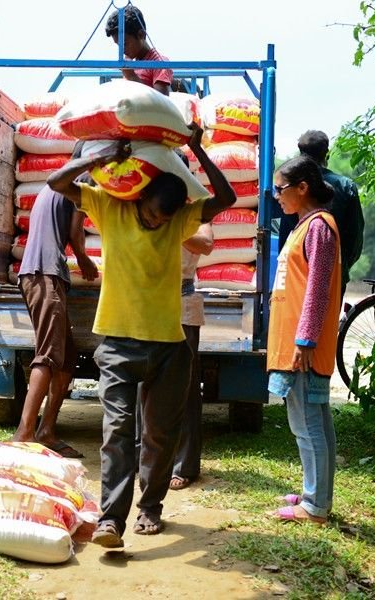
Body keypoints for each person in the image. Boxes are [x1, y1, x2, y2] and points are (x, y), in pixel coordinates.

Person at [47, 125, 236, 547]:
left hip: (170, 345)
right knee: (116, 433)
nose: (157, 222)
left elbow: (225, 200)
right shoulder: (109, 206)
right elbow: (57, 182)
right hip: (117, 343)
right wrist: (98, 160)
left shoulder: (178, 218)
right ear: (140, 196)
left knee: (159, 434)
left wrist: (198, 150)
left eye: (165, 218)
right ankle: (111, 520)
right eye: (152, 213)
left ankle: (150, 509)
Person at [11, 149, 99, 459]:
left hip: (45, 273)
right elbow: (76, 231)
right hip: (44, 273)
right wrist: (86, 261)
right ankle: (24, 432)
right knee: (48, 355)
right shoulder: (82, 180)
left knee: (67, 357)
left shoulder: (54, 184)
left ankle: (47, 430)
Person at [268, 155, 341, 525]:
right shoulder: (304, 226)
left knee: (307, 423)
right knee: (313, 420)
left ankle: (315, 506)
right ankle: (316, 492)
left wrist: (305, 340)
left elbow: (318, 289)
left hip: (303, 347)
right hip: (297, 342)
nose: (275, 195)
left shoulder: (319, 228)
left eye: (281, 189)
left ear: (302, 188)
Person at [278, 130, 364, 298]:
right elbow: (355, 237)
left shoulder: (289, 186)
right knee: (327, 323)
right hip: (334, 272)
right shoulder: (345, 186)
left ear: (300, 154)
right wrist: (343, 266)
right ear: (327, 154)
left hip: (293, 273)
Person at [169, 223, 214, 490]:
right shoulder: (147, 203)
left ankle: (184, 465)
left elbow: (206, 244)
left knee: (184, 386)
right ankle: (147, 459)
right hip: (148, 302)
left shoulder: (196, 216)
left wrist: (168, 224)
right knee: (145, 385)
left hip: (182, 301)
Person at [105, 4, 172, 95]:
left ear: (141, 34)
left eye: (124, 44)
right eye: (118, 46)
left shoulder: (159, 63)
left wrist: (131, 76)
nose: (122, 50)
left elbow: (163, 103)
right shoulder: (132, 64)